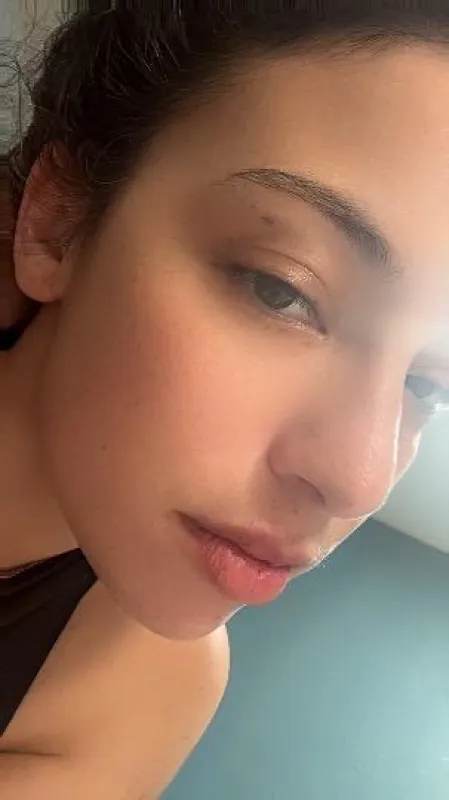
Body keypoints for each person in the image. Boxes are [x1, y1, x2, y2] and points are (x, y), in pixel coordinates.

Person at [1, 1, 449, 796]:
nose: (358, 480)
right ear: (58, 222)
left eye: (425, 385)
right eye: (281, 290)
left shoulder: (136, 690)